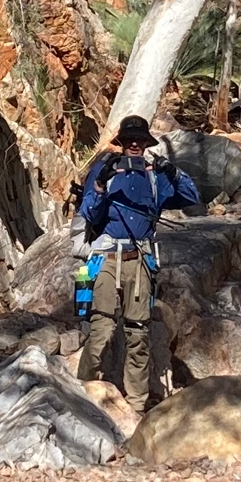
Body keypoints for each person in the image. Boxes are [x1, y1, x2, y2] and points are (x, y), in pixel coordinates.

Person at [75, 115, 200, 411]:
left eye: (140, 140)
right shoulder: (104, 171)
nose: (134, 144)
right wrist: (102, 186)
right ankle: (82, 394)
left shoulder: (156, 179)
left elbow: (192, 196)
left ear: (146, 144)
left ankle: (136, 405)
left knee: (138, 334)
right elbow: (89, 214)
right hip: (106, 259)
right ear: (120, 142)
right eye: (129, 139)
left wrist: (172, 171)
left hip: (140, 261)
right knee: (100, 331)